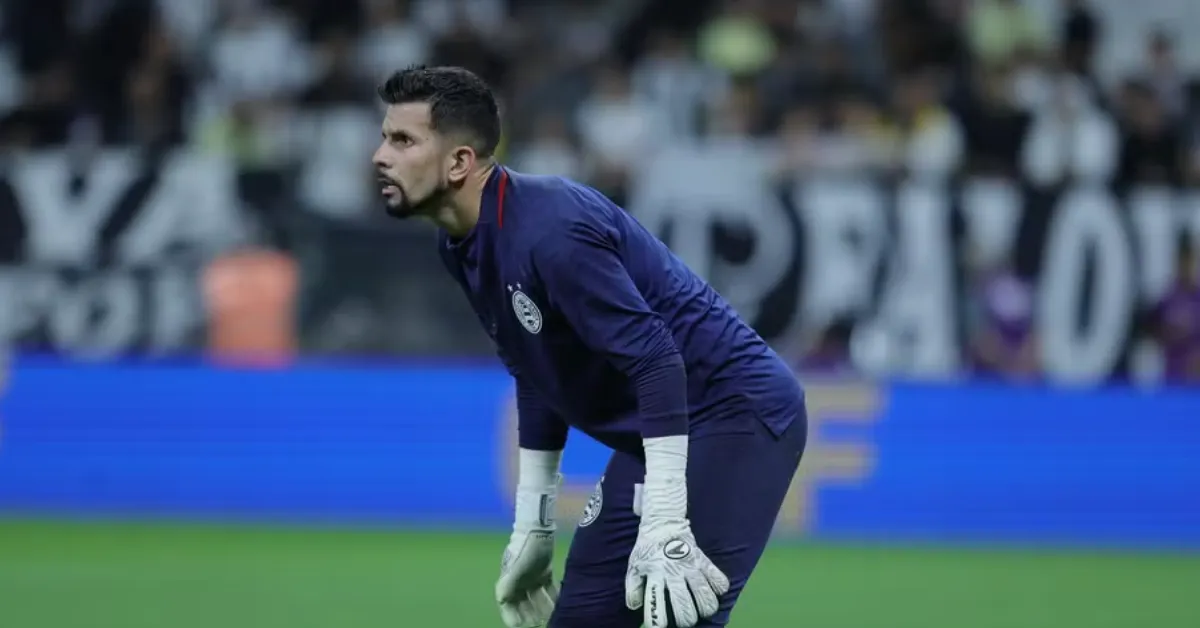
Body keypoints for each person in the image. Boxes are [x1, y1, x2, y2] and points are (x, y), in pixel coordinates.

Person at [371, 65, 807, 628]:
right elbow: (536, 371)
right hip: (659, 434)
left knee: (669, 615)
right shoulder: (459, 243)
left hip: (733, 416)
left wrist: (667, 515)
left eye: (402, 140)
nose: (380, 155)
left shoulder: (551, 231)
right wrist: (533, 521)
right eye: (385, 136)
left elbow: (656, 358)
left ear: (459, 162)